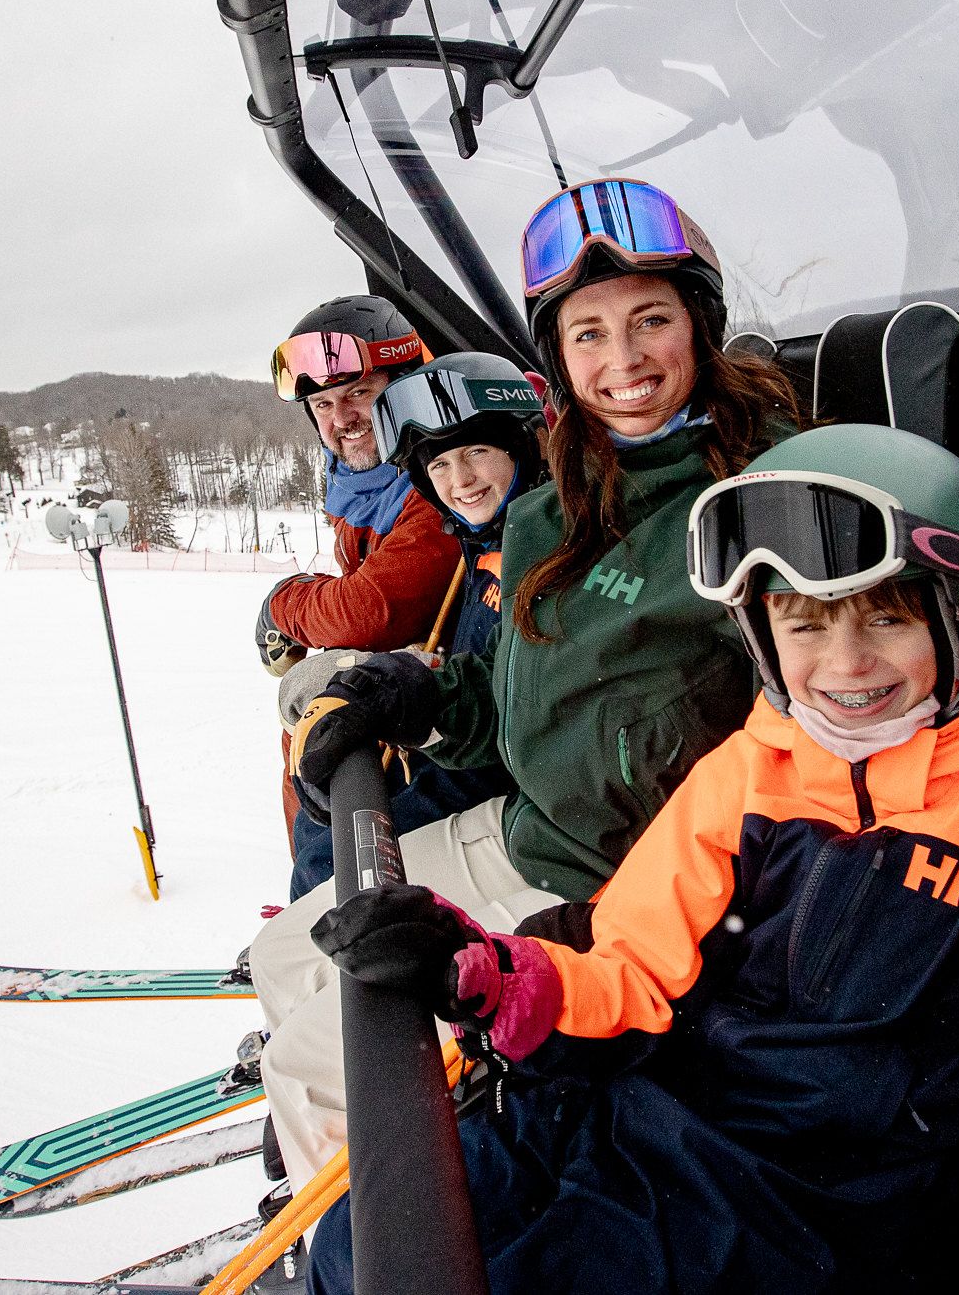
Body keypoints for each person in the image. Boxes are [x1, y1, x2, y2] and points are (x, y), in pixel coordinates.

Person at [310, 424, 959, 1294]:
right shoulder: (754, 767)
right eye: (803, 625)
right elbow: (633, 963)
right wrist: (495, 979)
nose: (845, 664)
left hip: (819, 1209)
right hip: (648, 1125)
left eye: (887, 616)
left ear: (958, 612)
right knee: (362, 1242)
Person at [252, 178, 804, 1181]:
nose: (622, 359)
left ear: (699, 326)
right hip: (526, 831)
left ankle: (369, 1229)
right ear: (558, 356)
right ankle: (373, 1163)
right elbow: (516, 696)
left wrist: (625, 921)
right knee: (286, 957)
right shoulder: (558, 496)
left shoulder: (763, 496)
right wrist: (419, 704)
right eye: (586, 335)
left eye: (649, 320)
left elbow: (817, 736)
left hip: (619, 887)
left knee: (316, 1064)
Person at [275, 351, 545, 894]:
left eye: (476, 452)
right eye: (440, 464)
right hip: (465, 750)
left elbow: (372, 610)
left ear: (523, 445)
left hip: (505, 782)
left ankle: (332, 954)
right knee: (322, 818)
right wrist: (404, 677)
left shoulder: (542, 546)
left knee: (336, 850)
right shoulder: (482, 538)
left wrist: (412, 693)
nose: (460, 479)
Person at [256, 296, 471, 873]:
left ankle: (318, 926)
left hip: (447, 717)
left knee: (330, 769)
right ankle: (307, 920)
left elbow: (371, 610)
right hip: (401, 698)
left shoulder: (442, 482)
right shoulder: (363, 488)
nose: (340, 419)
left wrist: (287, 603)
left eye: (358, 394)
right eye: (323, 404)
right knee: (309, 733)